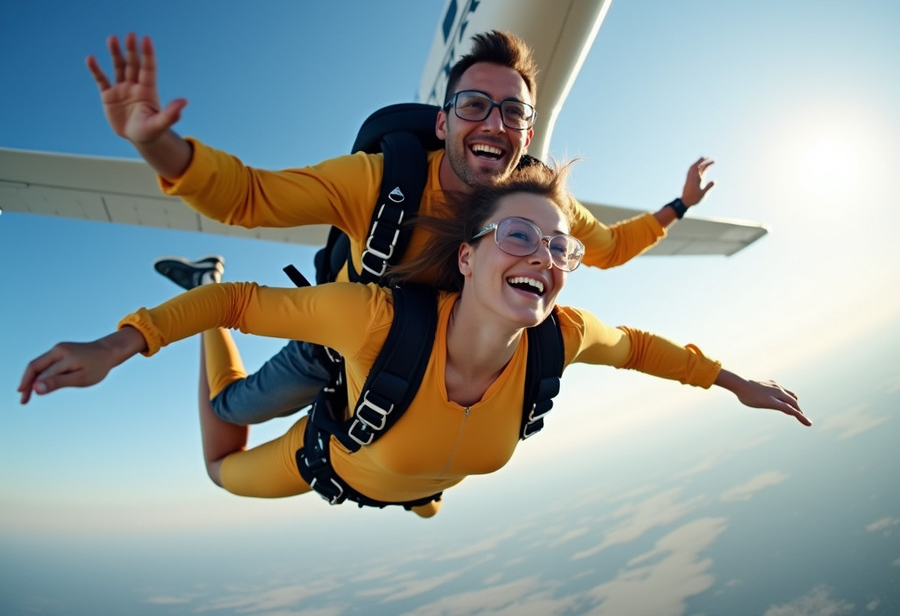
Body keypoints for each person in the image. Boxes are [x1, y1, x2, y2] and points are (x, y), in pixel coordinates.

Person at [18, 164, 810, 519]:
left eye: (559, 247)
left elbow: (644, 348)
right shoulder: (374, 318)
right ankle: (192, 272)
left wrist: (735, 382)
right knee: (223, 461)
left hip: (407, 482)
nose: (543, 255)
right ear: (467, 256)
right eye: (518, 235)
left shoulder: (561, 336)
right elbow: (242, 302)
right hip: (322, 461)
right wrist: (119, 345)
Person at [85, 30, 716, 425]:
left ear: (528, 135)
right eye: (474, 106)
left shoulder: (538, 204)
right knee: (234, 409)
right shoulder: (377, 180)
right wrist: (159, 146)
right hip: (337, 341)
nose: (493, 123)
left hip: (424, 365)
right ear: (443, 125)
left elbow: (609, 249)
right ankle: (205, 279)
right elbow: (251, 197)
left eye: (514, 113)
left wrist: (678, 206)